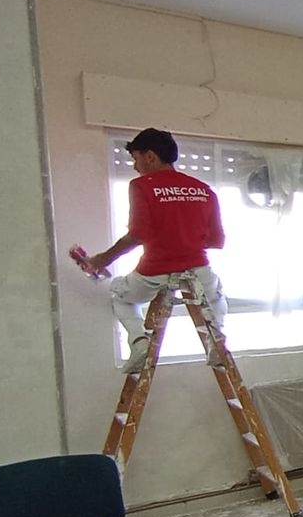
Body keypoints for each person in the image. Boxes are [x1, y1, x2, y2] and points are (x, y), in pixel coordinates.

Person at [82, 128, 226, 374]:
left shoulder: (142, 186)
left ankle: (139, 342)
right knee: (216, 295)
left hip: (153, 272)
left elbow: (138, 234)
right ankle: (217, 339)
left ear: (150, 157)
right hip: (199, 271)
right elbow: (216, 240)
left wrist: (101, 260)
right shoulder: (203, 189)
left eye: (136, 159)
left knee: (120, 294)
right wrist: (185, 237)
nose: (135, 167)